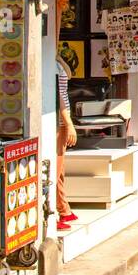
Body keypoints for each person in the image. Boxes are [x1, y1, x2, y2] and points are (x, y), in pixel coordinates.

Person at [55, 62, 78, 230]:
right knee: (55, 170)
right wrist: (69, 123)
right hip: (59, 122)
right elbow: (59, 98)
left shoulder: (55, 62)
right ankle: (55, 213)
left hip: (61, 122)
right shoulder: (52, 65)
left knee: (59, 169)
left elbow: (68, 75)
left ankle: (63, 208)